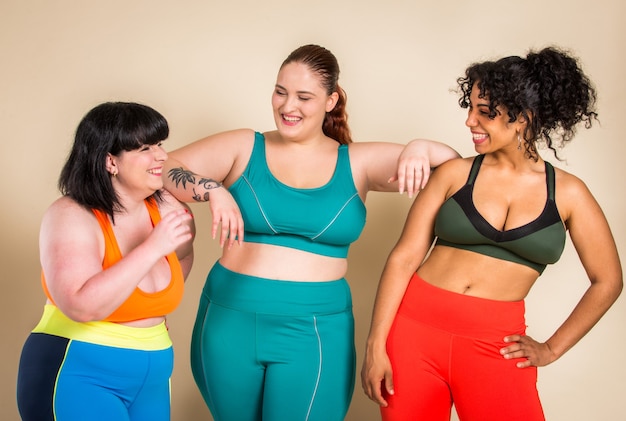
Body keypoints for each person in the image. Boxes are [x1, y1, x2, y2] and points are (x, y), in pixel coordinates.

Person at [162, 44, 460, 421]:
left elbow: (452, 167)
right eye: (280, 92)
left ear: (331, 100)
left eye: (304, 97)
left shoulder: (357, 162)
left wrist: (419, 147)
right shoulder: (243, 146)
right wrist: (213, 189)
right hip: (228, 320)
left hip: (316, 328)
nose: (289, 106)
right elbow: (164, 167)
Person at [361, 46, 623, 421]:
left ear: (523, 118)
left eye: (485, 113)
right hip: (413, 334)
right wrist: (376, 345)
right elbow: (404, 258)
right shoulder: (454, 174)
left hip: (496, 345)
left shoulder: (569, 193)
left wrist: (550, 349)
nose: (470, 121)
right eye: (470, 108)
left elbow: (608, 280)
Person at [16, 102, 195, 421]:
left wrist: (218, 195)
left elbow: (183, 253)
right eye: (145, 148)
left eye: (159, 145)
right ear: (110, 161)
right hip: (79, 372)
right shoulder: (70, 215)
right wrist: (152, 248)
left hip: (152, 376)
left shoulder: (163, 204)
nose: (161, 156)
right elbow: (81, 306)